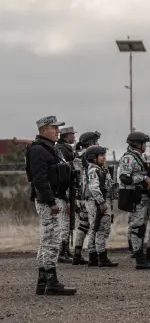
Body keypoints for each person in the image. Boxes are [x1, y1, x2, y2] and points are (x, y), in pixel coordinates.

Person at [25, 116, 76, 295]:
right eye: (54, 128)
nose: (58, 131)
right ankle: (52, 282)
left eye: (58, 128)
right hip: (49, 201)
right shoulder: (38, 150)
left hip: (54, 198)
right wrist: (51, 201)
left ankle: (43, 281)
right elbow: (39, 179)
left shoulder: (50, 149)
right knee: (52, 241)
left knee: (47, 240)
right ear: (43, 130)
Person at [118, 131, 150, 269]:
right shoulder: (128, 158)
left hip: (149, 196)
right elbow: (124, 178)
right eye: (144, 143)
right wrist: (143, 178)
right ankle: (139, 258)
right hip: (137, 197)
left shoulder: (143, 157)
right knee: (138, 227)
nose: (145, 145)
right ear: (137, 144)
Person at [84, 145, 118, 267]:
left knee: (96, 228)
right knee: (101, 229)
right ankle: (102, 257)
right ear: (93, 158)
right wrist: (101, 202)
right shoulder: (94, 170)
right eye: (101, 155)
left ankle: (93, 256)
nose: (104, 157)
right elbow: (94, 187)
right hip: (97, 202)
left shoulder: (101, 169)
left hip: (100, 201)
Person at [71, 131, 101, 265]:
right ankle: (93, 254)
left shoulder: (77, 156)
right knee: (94, 223)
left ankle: (77, 253)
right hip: (88, 195)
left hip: (79, 195)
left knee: (83, 224)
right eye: (96, 141)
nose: (98, 143)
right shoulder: (88, 156)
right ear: (90, 143)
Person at [55, 126, 77, 263]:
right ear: (65, 136)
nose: (74, 137)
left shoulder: (65, 148)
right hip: (64, 189)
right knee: (64, 220)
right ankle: (62, 251)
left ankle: (65, 250)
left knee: (68, 221)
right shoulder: (62, 149)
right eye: (71, 134)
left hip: (67, 188)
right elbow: (64, 169)